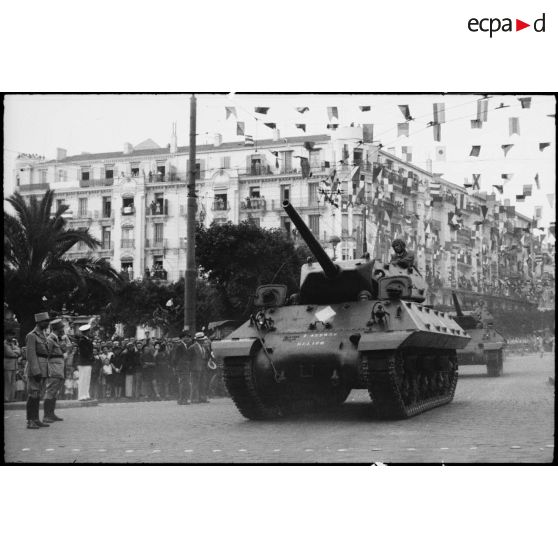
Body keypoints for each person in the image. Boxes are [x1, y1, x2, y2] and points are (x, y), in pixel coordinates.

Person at [24, 312, 51, 429]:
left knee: (38, 394)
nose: (47, 323)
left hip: (43, 367)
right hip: (36, 368)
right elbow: (30, 354)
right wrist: (36, 371)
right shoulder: (32, 335)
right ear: (39, 322)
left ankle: (36, 419)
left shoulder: (42, 335)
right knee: (33, 394)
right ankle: (30, 420)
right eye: (46, 321)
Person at [43, 319, 67, 422]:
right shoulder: (50, 339)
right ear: (57, 329)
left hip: (59, 368)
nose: (63, 329)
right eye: (62, 328)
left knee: (55, 392)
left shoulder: (57, 339)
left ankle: (51, 414)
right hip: (53, 369)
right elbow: (46, 354)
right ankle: (46, 416)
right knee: (51, 391)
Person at [172, 330, 193, 405]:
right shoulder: (180, 346)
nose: (188, 338)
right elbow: (175, 358)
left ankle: (182, 399)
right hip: (182, 367)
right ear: (183, 337)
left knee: (184, 383)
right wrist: (175, 366)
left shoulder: (184, 345)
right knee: (184, 383)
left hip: (184, 367)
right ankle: (182, 400)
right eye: (186, 337)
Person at [76, 324, 95, 401]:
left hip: (87, 362)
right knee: (83, 379)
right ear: (87, 332)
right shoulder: (82, 340)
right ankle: (81, 396)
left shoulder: (86, 339)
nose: (89, 332)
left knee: (87, 379)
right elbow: (85, 352)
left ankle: (86, 394)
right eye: (88, 331)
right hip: (84, 362)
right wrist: (91, 357)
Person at [191, 332, 210, 403]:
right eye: (202, 340)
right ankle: (194, 398)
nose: (203, 341)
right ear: (198, 340)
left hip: (203, 367)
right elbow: (189, 358)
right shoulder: (192, 347)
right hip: (195, 368)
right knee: (195, 384)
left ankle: (202, 398)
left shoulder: (204, 347)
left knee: (203, 383)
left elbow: (207, 356)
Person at [4, 330, 21, 402]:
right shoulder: (4, 344)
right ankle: (6, 398)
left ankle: (11, 398)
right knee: (7, 382)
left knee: (13, 382)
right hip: (7, 364)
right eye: (9, 335)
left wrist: (15, 351)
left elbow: (19, 351)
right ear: (6, 336)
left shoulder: (13, 343)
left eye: (12, 335)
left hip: (14, 364)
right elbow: (9, 353)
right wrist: (15, 352)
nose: (11, 336)